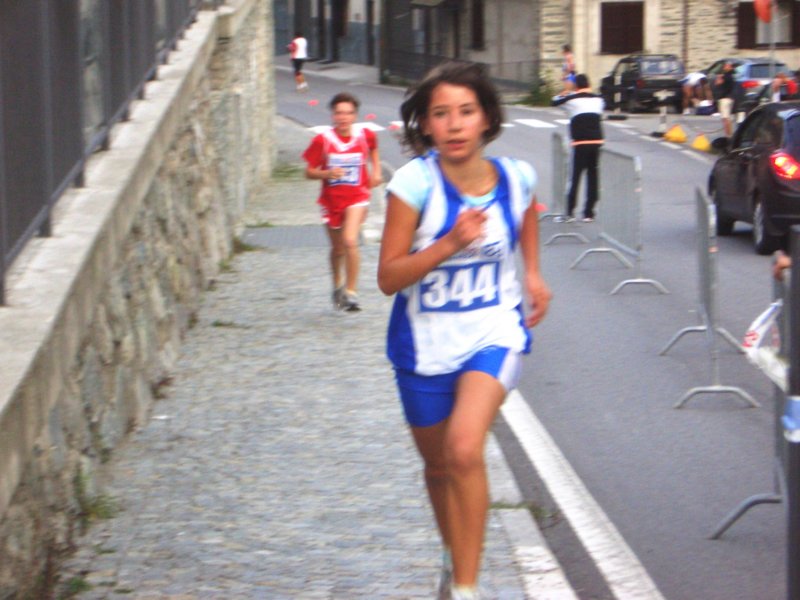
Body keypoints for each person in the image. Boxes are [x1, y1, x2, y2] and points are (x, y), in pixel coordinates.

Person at [377, 62, 551, 600]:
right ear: (426, 125)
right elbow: (388, 278)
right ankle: (454, 556)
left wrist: (533, 273)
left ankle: (467, 589)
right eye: (441, 114)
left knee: (463, 448)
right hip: (423, 346)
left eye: (466, 112)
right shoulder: (414, 185)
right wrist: (449, 243)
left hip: (492, 333)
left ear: (487, 119)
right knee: (438, 467)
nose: (454, 125)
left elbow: (527, 213)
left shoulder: (515, 177)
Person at [303, 92, 382, 311]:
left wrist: (376, 171)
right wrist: (327, 173)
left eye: (348, 113)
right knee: (337, 249)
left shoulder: (365, 135)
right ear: (333, 115)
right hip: (331, 201)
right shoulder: (323, 140)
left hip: (358, 196)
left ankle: (351, 292)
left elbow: (374, 149)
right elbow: (308, 172)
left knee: (350, 241)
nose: (343, 118)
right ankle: (338, 283)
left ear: (355, 115)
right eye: (339, 113)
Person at [551, 73, 605, 223]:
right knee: (593, 176)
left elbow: (554, 101)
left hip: (580, 143)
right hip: (597, 142)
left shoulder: (571, 100)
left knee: (574, 177)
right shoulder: (599, 100)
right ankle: (589, 213)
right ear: (589, 84)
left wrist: (566, 91)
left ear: (576, 86)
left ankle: (570, 212)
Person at [715, 61, 736, 137]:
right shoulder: (732, 76)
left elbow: (717, 83)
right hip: (730, 98)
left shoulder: (726, 76)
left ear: (730, 67)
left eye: (726, 66)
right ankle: (729, 134)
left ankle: (728, 135)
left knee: (725, 118)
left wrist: (719, 77)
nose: (724, 67)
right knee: (727, 118)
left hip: (724, 99)